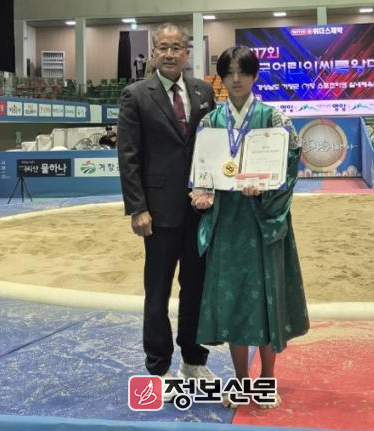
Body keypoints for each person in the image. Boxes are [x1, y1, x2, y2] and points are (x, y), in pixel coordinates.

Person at [190, 46, 310, 409]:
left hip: (262, 222)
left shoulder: (274, 119)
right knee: (234, 301)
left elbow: (290, 164)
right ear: (221, 79)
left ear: (255, 75)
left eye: (243, 72)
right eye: (229, 73)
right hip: (226, 223)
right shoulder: (210, 123)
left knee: (266, 299)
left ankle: (267, 380)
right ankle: (242, 381)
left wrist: (268, 188)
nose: (236, 79)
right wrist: (200, 193)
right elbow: (202, 171)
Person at [117, 22, 216, 401]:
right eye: (163, 47)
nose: (170, 54)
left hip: (200, 209)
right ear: (154, 53)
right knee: (157, 292)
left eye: (177, 48)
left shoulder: (203, 92)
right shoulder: (135, 95)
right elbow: (128, 156)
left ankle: (193, 359)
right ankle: (158, 366)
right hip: (157, 213)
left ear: (187, 53)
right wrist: (137, 208)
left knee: (196, 288)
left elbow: (214, 146)